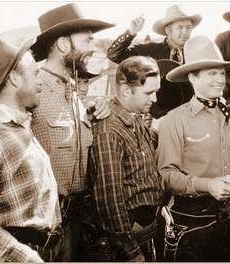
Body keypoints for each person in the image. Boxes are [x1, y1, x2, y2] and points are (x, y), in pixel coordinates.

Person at [157, 35, 230, 262]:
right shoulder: (174, 120)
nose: (220, 80)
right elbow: (166, 175)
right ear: (192, 77)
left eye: (222, 73)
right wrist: (207, 185)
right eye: (212, 73)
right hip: (192, 225)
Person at [29, 3, 114, 261]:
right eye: (88, 41)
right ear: (64, 45)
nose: (93, 49)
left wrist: (94, 109)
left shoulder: (74, 92)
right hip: (44, 230)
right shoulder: (32, 90)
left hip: (76, 222)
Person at [0, 37, 61, 262]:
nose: (39, 81)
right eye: (34, 73)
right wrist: (26, 259)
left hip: (42, 249)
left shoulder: (19, 125)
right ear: (13, 78)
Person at [89, 56, 164, 262]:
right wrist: (130, 251)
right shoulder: (109, 131)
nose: (155, 99)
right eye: (149, 92)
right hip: (125, 242)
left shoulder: (134, 117)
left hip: (144, 231)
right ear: (124, 90)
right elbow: (108, 198)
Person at [107, 5, 202, 118]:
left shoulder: (197, 54)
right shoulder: (149, 51)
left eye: (188, 27)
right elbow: (114, 55)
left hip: (188, 116)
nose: (185, 32)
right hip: (154, 117)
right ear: (168, 30)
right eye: (180, 27)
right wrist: (131, 32)